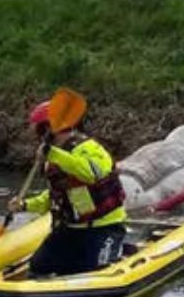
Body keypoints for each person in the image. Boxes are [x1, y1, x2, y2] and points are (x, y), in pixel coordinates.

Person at [9, 100, 127, 276]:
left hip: (104, 227)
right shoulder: (54, 157)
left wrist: (54, 154)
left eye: (38, 130)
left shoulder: (88, 148)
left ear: (47, 129)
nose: (36, 136)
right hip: (72, 229)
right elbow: (56, 197)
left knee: (99, 271)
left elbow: (91, 174)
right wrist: (25, 205)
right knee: (39, 267)